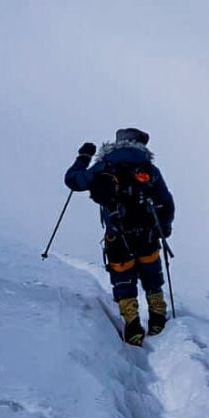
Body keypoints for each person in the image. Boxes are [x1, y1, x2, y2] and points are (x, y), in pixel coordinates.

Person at [65, 128, 175, 346]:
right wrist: (164, 228)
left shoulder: (103, 166)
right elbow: (166, 201)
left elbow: (73, 181)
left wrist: (83, 157)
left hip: (117, 235)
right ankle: (157, 318)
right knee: (152, 273)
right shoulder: (148, 169)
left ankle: (132, 323)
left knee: (123, 277)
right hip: (147, 233)